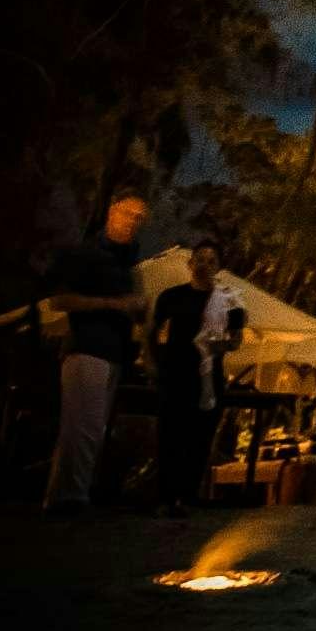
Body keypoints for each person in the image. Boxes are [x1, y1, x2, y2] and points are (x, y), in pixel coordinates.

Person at [42, 190, 150, 515]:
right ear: (112, 211)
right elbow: (59, 300)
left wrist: (139, 309)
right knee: (82, 426)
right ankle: (69, 498)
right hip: (85, 347)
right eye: (128, 213)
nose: (133, 222)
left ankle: (67, 496)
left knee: (93, 428)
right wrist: (113, 304)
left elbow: (136, 311)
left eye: (140, 218)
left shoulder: (130, 265)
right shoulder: (87, 255)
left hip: (114, 353)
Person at [145, 241, 245, 516]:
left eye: (211, 261)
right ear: (190, 265)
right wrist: (151, 363)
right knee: (169, 434)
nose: (204, 265)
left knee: (199, 437)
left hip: (208, 376)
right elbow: (151, 331)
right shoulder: (172, 296)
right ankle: (165, 497)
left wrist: (214, 345)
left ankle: (187, 496)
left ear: (218, 267)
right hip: (175, 373)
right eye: (199, 259)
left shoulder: (229, 301)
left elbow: (236, 340)